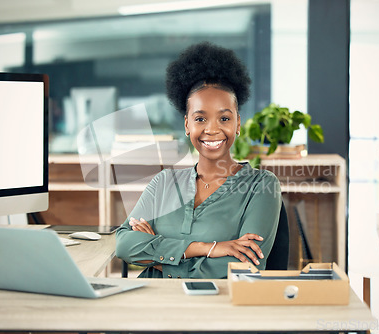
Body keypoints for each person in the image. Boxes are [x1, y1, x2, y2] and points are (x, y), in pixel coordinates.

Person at [115, 42, 282, 279]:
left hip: (214, 306)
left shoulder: (261, 185)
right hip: (150, 301)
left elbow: (246, 266)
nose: (212, 130)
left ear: (238, 124)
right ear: (187, 125)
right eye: (200, 119)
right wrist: (209, 248)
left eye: (224, 118)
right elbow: (124, 244)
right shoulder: (163, 182)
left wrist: (158, 253)